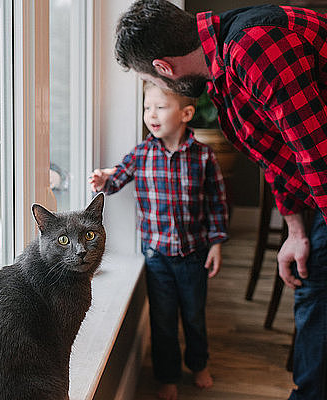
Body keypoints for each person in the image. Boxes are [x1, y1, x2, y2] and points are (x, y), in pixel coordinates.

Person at [113, 1, 327, 399]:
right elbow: (277, 156)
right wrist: (295, 231)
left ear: (164, 69)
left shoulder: (255, 45)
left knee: (318, 288)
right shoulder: (222, 74)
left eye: (151, 82)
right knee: (312, 280)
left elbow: (318, 155)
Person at [89, 81, 229, 400]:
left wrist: (217, 243)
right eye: (146, 107)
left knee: (194, 315)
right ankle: (167, 375)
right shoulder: (141, 154)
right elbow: (116, 179)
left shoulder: (203, 157)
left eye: (160, 107)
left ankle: (198, 364)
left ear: (186, 113)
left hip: (194, 254)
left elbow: (217, 202)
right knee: (163, 320)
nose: (150, 114)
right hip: (157, 257)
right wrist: (104, 180)